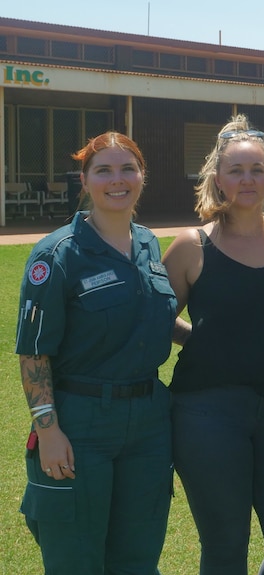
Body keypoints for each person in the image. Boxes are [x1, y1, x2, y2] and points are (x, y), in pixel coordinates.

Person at [162, 115, 264, 575]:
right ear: (217, 178)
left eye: (257, 169)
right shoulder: (191, 246)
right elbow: (158, 317)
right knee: (226, 549)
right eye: (236, 170)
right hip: (205, 413)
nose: (247, 179)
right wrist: (199, 338)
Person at [15, 132, 177, 574]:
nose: (117, 179)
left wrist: (214, 337)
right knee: (75, 558)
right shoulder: (58, 255)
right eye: (103, 170)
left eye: (128, 168)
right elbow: (33, 354)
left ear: (142, 176)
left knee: (138, 557)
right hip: (81, 423)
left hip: (148, 425)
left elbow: (153, 318)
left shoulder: (148, 244)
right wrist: (48, 432)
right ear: (84, 181)